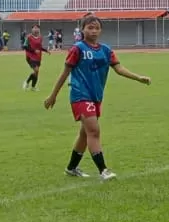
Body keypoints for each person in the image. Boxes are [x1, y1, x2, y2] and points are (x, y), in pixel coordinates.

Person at [44, 13, 151, 181]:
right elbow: (65, 73)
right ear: (83, 29)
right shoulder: (77, 49)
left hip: (95, 96)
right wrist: (53, 95)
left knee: (85, 134)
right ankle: (104, 170)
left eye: (97, 28)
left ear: (101, 30)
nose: (93, 31)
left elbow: (119, 68)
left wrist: (138, 78)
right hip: (80, 95)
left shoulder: (106, 50)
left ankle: (71, 168)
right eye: (90, 27)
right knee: (94, 131)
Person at [22, 23, 47, 91]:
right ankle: (27, 82)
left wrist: (45, 50)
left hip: (38, 57)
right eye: (34, 28)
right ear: (32, 29)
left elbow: (39, 47)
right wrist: (33, 51)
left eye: (37, 28)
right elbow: (24, 46)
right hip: (30, 56)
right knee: (36, 70)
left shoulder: (40, 37)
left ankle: (33, 87)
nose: (36, 29)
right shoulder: (29, 37)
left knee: (36, 72)